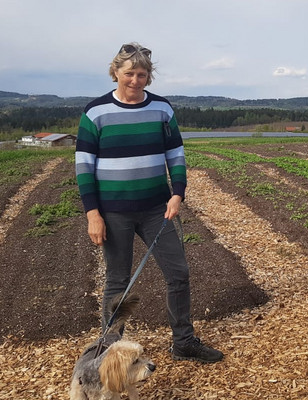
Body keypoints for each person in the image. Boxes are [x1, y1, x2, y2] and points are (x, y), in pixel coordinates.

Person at [75, 42, 224, 362]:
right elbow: (84, 166)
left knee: (179, 273)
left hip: (158, 208)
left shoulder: (162, 108)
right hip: (114, 212)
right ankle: (110, 351)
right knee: (118, 282)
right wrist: (92, 214)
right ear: (115, 72)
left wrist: (177, 192)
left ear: (149, 76)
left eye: (142, 74)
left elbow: (176, 154)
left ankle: (183, 341)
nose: (136, 80)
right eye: (129, 73)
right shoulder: (95, 112)